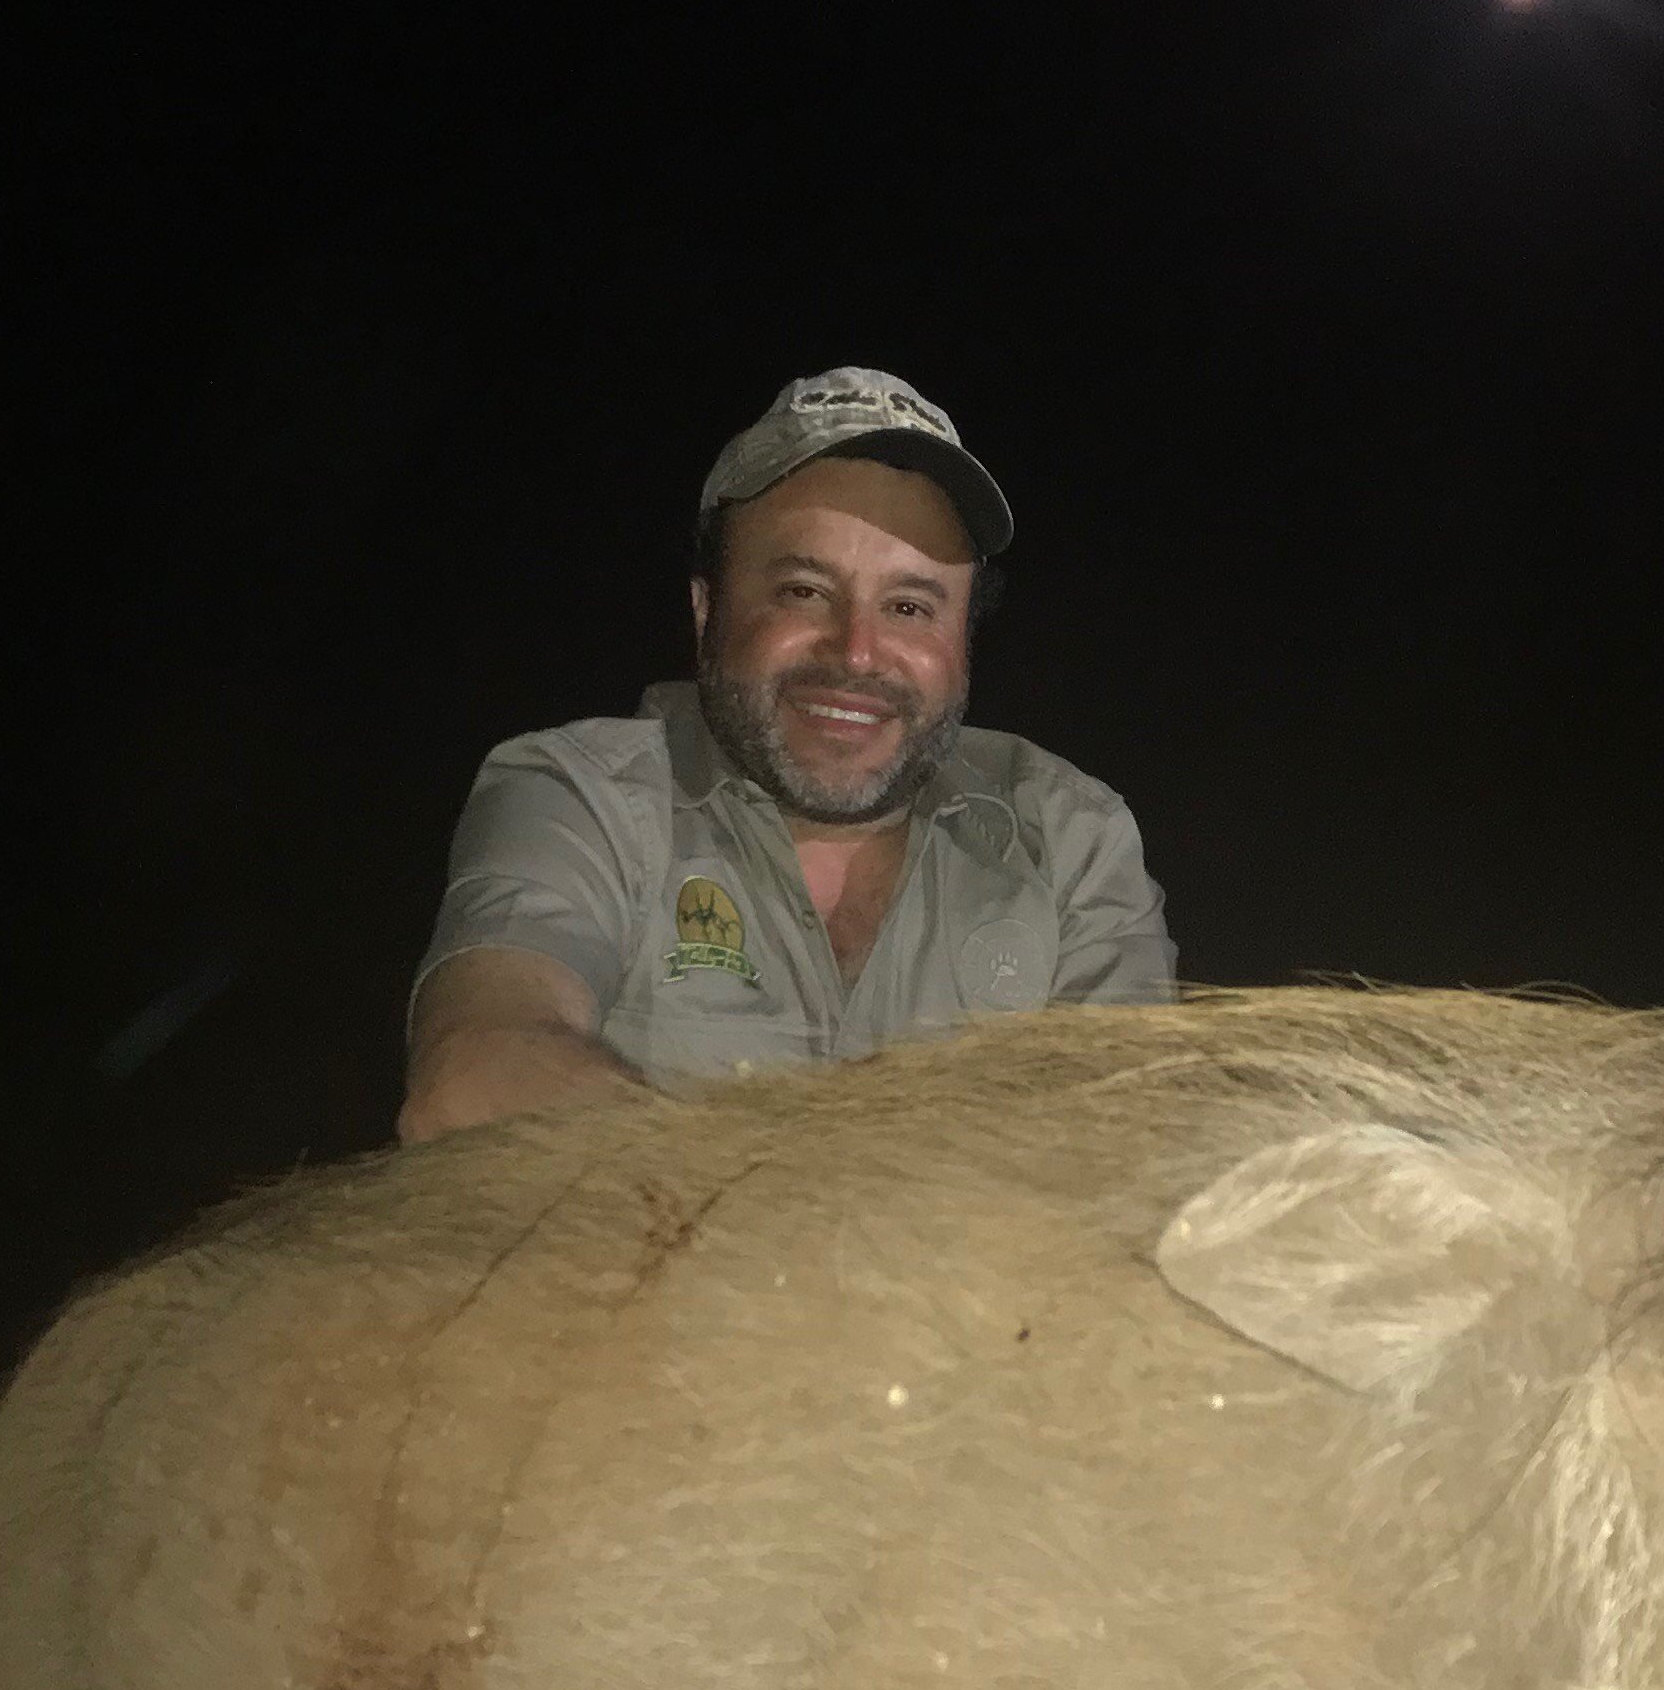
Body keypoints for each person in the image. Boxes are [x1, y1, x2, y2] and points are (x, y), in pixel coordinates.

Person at [400, 366, 1176, 1139]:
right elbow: (475, 1078)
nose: (859, 654)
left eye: (909, 607)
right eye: (804, 591)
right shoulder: (578, 794)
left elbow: (1132, 1145)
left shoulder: (1070, 835)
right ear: (708, 609)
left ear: (965, 638)